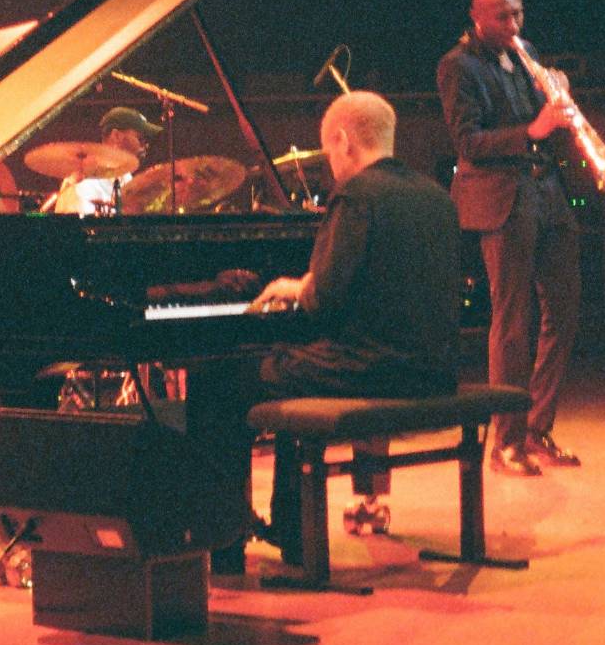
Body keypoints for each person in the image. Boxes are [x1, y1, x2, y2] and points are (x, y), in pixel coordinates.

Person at [190, 90, 461, 568]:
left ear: (343, 140)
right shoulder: (435, 197)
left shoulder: (357, 195)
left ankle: (223, 547)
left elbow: (325, 303)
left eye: (330, 152)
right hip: (431, 370)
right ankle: (293, 532)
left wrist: (299, 289)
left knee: (217, 380)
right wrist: (311, 282)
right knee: (286, 370)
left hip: (370, 369)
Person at [437, 0, 582, 477]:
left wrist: (558, 106)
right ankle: (507, 442)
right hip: (502, 198)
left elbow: (543, 124)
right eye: (503, 16)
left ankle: (539, 428)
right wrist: (533, 129)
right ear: (476, 16)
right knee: (512, 320)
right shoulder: (457, 67)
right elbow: (468, 142)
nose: (514, 24)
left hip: (547, 192)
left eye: (518, 12)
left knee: (563, 309)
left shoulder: (525, 54)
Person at [53, 106, 162, 216]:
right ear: (117, 136)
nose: (146, 146)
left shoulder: (125, 177)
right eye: (141, 139)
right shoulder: (83, 183)